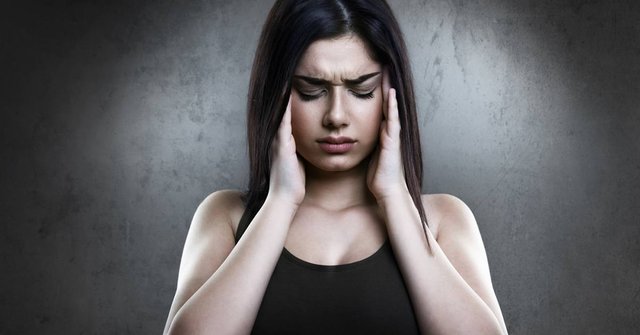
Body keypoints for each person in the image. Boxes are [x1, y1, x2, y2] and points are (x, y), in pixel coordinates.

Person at [164, 0, 508, 334]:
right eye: (312, 90)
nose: (336, 117)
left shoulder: (443, 219)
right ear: (278, 92)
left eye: (362, 89)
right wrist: (281, 200)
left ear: (392, 90)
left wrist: (394, 196)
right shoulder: (226, 216)